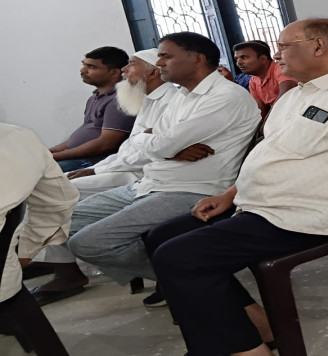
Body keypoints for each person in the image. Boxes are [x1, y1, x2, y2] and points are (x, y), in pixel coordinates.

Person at [146, 19, 328, 356]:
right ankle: (256, 324)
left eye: (284, 46)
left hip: (302, 216)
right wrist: (230, 195)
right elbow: (272, 153)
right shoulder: (296, 94)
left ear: (319, 46)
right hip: (260, 205)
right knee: (160, 237)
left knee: (180, 257)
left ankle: (247, 351)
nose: (276, 54)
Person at [30, 32, 260, 305]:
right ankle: (180, 276)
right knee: (59, 218)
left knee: (88, 242)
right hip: (150, 182)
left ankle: (191, 277)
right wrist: (162, 144)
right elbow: (146, 142)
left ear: (197, 59)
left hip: (190, 189)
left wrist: (161, 143)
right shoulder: (183, 96)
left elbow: (160, 143)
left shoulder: (224, 96)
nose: (160, 62)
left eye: (166, 56)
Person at [64, 49, 178, 195]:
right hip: (123, 167)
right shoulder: (147, 99)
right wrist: (94, 169)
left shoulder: (169, 101)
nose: (124, 69)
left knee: (60, 189)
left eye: (132, 64)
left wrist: (97, 170)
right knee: (59, 181)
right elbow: (128, 149)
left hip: (141, 173)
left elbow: (149, 153)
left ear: (152, 73)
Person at [1, 123, 79, 305]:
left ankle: (64, 270)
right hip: (6, 280)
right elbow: (59, 202)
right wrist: (23, 253)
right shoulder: (17, 137)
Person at [50, 46, 136, 172]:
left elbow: (106, 144)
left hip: (96, 162)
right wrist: (52, 151)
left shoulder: (119, 99)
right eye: (84, 65)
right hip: (78, 157)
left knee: (39, 173)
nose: (82, 70)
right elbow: (86, 131)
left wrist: (55, 156)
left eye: (91, 67)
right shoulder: (94, 98)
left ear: (114, 73)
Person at [234, 40, 297, 116]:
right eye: (236, 59)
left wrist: (268, 121)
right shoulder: (253, 82)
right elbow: (261, 111)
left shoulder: (279, 68)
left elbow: (286, 93)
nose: (239, 63)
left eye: (244, 57)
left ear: (263, 59)